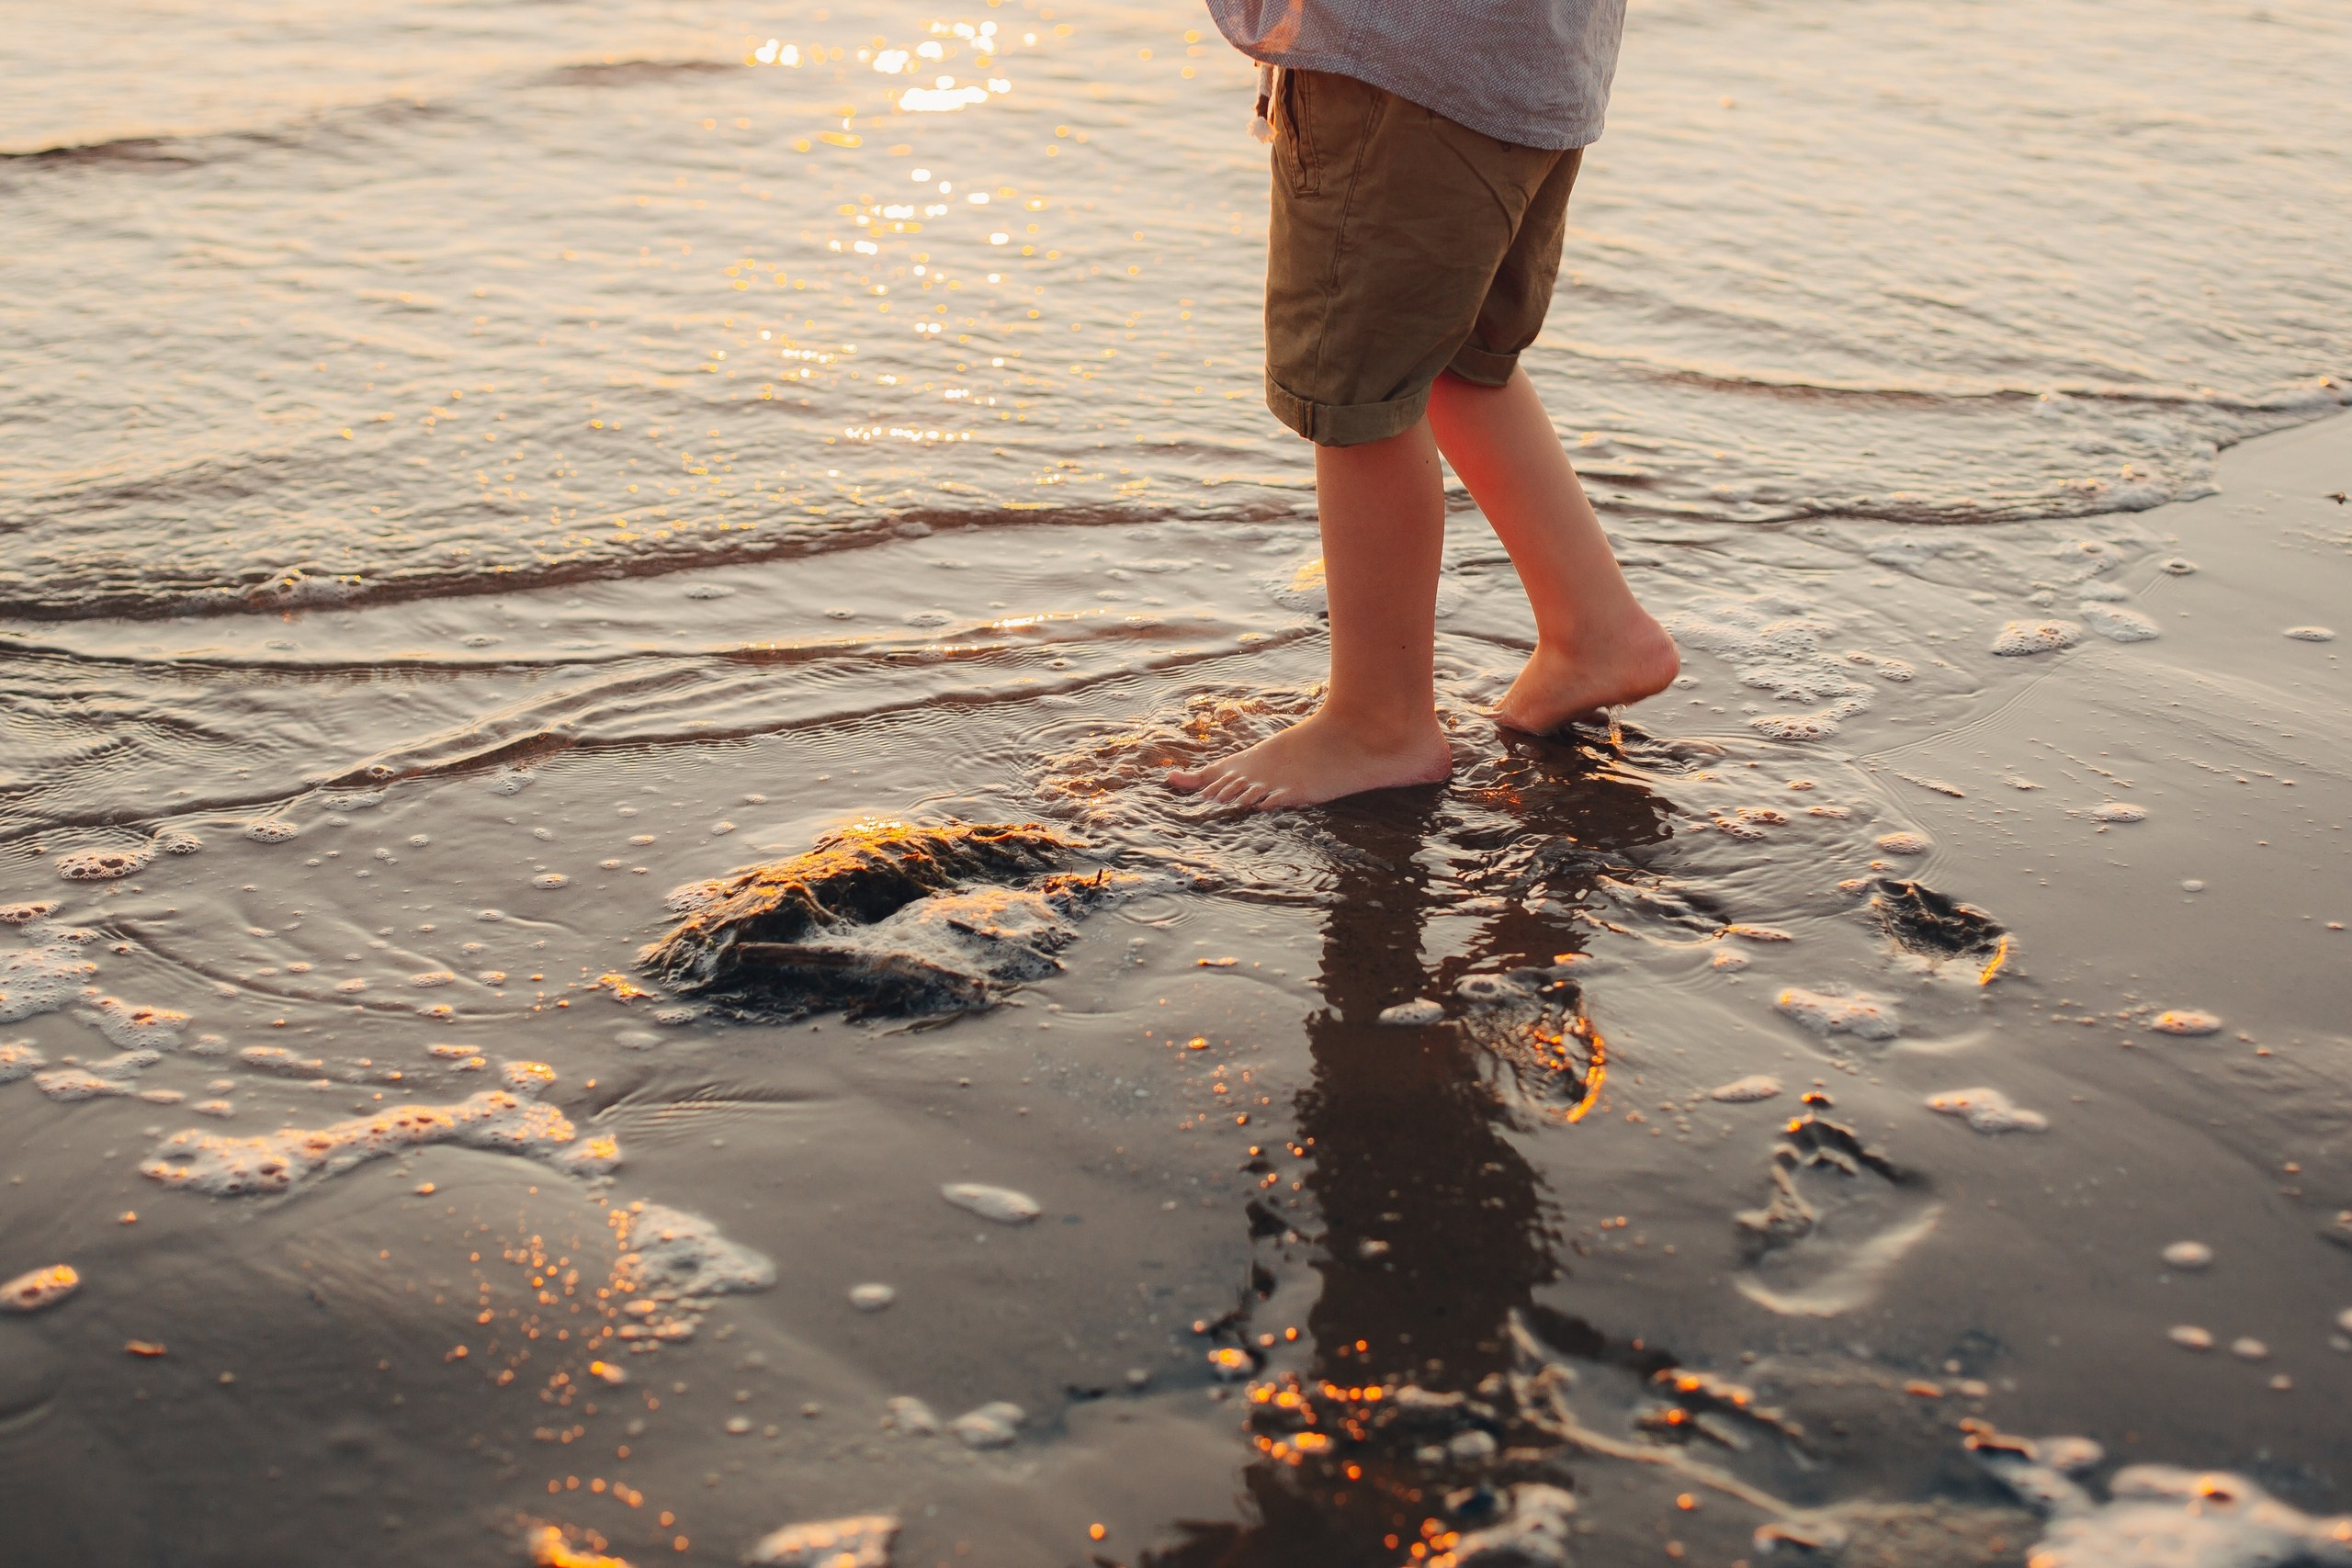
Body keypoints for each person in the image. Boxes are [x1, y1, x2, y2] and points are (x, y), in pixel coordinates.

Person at [1167, 0, 1679, 810]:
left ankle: (1378, 721)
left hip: (1405, 61)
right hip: (1527, 62)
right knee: (1456, 357)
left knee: (1360, 386)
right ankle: (1593, 627)